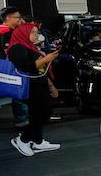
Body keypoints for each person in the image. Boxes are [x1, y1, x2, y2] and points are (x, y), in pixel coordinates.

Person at [6, 23, 60, 156]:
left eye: (37, 32)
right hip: (29, 85)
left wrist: (50, 85)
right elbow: (24, 67)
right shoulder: (17, 48)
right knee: (41, 113)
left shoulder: (29, 46)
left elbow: (40, 70)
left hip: (38, 83)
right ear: (24, 33)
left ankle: (37, 141)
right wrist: (46, 59)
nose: (37, 35)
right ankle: (23, 140)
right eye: (33, 32)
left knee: (42, 112)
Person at [0, 6, 29, 126]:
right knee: (19, 93)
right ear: (8, 18)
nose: (20, 19)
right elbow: (9, 51)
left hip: (7, 64)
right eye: (18, 17)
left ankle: (22, 118)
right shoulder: (6, 32)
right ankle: (22, 120)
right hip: (14, 66)